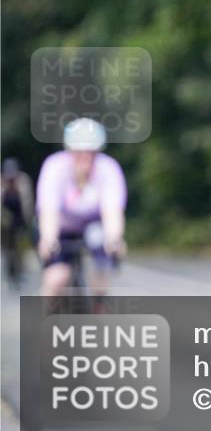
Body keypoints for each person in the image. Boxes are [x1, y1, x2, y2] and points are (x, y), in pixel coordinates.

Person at [36, 118, 127, 301]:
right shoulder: (55, 167)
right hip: (61, 227)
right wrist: (48, 239)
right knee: (56, 278)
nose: (85, 158)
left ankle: (99, 311)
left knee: (101, 271)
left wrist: (114, 239)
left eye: (90, 153)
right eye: (79, 153)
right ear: (70, 151)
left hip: (93, 226)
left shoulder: (107, 169)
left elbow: (112, 212)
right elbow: (48, 210)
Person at [1, 157, 34, 287]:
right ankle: (10, 274)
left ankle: (21, 273)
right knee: (8, 251)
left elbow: (28, 203)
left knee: (21, 251)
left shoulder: (23, 181)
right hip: (4, 225)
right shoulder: (2, 183)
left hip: (20, 223)